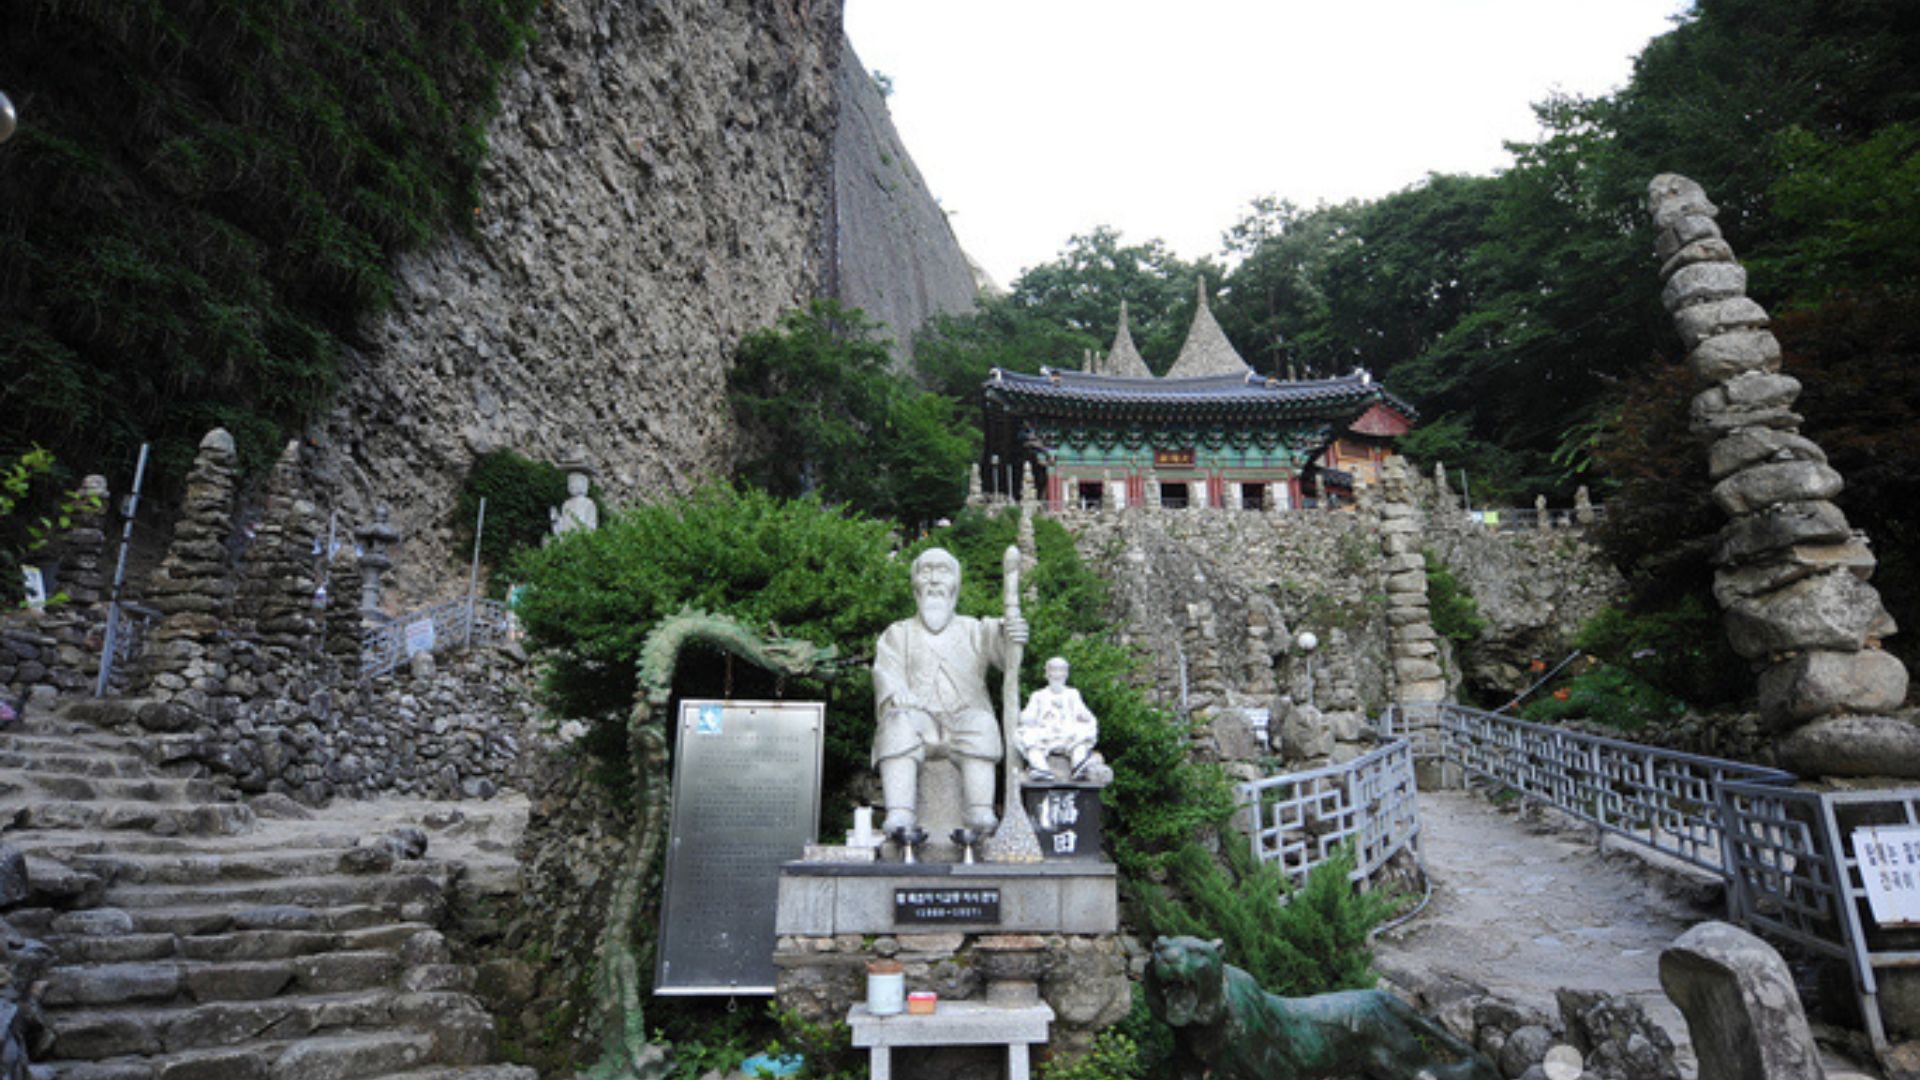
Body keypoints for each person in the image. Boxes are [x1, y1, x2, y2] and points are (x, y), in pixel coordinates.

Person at [872, 548, 1026, 835]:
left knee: (981, 723)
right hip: (918, 719)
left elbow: (1006, 656)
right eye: (925, 571)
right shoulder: (898, 633)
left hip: (964, 719)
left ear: (956, 582)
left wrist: (1011, 634)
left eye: (942, 571)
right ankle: (900, 814)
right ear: (914, 583)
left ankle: (980, 811)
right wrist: (898, 693)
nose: (933, 580)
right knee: (896, 722)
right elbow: (886, 671)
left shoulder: (976, 629)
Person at [1016, 657, 1099, 781]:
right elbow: (1028, 716)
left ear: (1066, 674)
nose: (1057, 674)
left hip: (1068, 732)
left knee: (1084, 733)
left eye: (1061, 670)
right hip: (1045, 733)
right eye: (1053, 670)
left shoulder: (1072, 693)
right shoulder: (1038, 695)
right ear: (1047, 673)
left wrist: (1083, 717)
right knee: (1024, 735)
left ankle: (1079, 764)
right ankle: (1041, 768)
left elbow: (1085, 715)